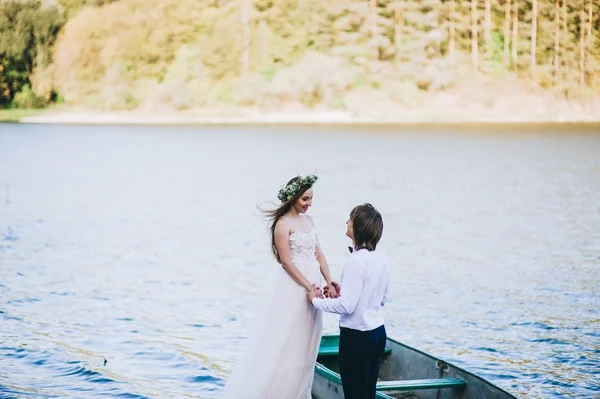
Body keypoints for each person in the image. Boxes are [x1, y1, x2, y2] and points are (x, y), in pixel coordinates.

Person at [223, 174, 338, 399]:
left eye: (311, 199)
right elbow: (286, 262)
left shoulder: (309, 221)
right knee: (288, 341)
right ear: (293, 197)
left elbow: (319, 253)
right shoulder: (282, 225)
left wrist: (328, 280)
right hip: (295, 289)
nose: (309, 203)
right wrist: (308, 286)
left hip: (313, 289)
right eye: (305, 199)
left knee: (308, 341)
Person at [308, 203, 390, 399]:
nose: (347, 222)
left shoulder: (355, 261)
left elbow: (347, 306)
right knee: (367, 394)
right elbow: (382, 298)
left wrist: (315, 301)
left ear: (359, 228)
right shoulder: (382, 258)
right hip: (378, 333)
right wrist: (342, 292)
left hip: (357, 337)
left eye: (351, 220)